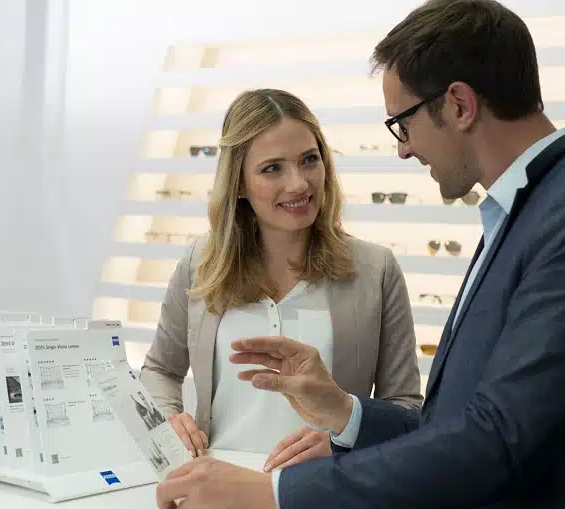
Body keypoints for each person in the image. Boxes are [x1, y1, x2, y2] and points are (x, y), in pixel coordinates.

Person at [152, 0, 565, 509]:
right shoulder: (527, 213)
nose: (404, 150)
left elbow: (501, 438)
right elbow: (449, 426)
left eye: (402, 123)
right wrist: (345, 411)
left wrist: (276, 497)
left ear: (458, 105)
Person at [138, 88, 424, 471]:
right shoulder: (200, 262)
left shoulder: (375, 269)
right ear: (238, 183)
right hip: (215, 484)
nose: (299, 183)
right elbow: (160, 369)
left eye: (309, 160)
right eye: (272, 168)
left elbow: (405, 406)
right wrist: (169, 421)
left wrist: (345, 441)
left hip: (324, 491)